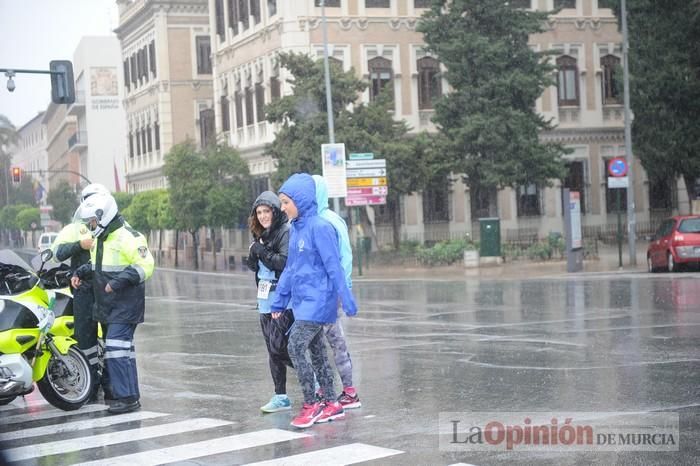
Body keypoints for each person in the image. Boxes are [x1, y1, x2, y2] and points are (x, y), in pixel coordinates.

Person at [270, 173, 358, 429]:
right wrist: (279, 301)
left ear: (301, 200)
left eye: (286, 202)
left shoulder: (320, 227)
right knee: (317, 352)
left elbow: (334, 267)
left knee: (295, 346)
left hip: (319, 303)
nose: (282, 208)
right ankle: (331, 402)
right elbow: (290, 269)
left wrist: (347, 298)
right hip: (303, 302)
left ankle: (312, 403)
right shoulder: (296, 229)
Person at [72, 193, 154, 415]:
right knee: (123, 352)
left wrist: (118, 283)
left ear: (104, 216)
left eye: (93, 221)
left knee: (116, 349)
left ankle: (126, 398)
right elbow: (98, 264)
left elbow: (145, 265)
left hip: (126, 304)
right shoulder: (103, 239)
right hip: (111, 305)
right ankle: (131, 397)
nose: (91, 226)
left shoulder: (128, 236)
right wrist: (81, 272)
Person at [51, 182, 111, 400]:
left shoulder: (111, 226)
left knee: (112, 339)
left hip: (107, 289)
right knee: (85, 338)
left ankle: (111, 384)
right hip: (83, 290)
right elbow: (57, 253)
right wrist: (79, 244)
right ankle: (90, 384)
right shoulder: (73, 229)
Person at [312, 175, 361, 409]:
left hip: (329, 294)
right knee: (323, 342)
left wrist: (343, 288)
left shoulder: (327, 221)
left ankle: (344, 391)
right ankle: (332, 390)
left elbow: (343, 258)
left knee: (331, 341)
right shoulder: (315, 220)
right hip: (318, 293)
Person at [245, 191, 295, 413]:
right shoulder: (261, 234)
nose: (263, 216)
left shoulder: (285, 232)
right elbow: (257, 266)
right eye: (259, 212)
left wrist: (261, 252)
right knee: (272, 350)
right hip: (264, 299)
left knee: (279, 347)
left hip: (282, 299)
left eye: (267, 211)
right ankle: (280, 395)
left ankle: (312, 376)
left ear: (275, 211)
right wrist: (253, 255)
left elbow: (283, 263)